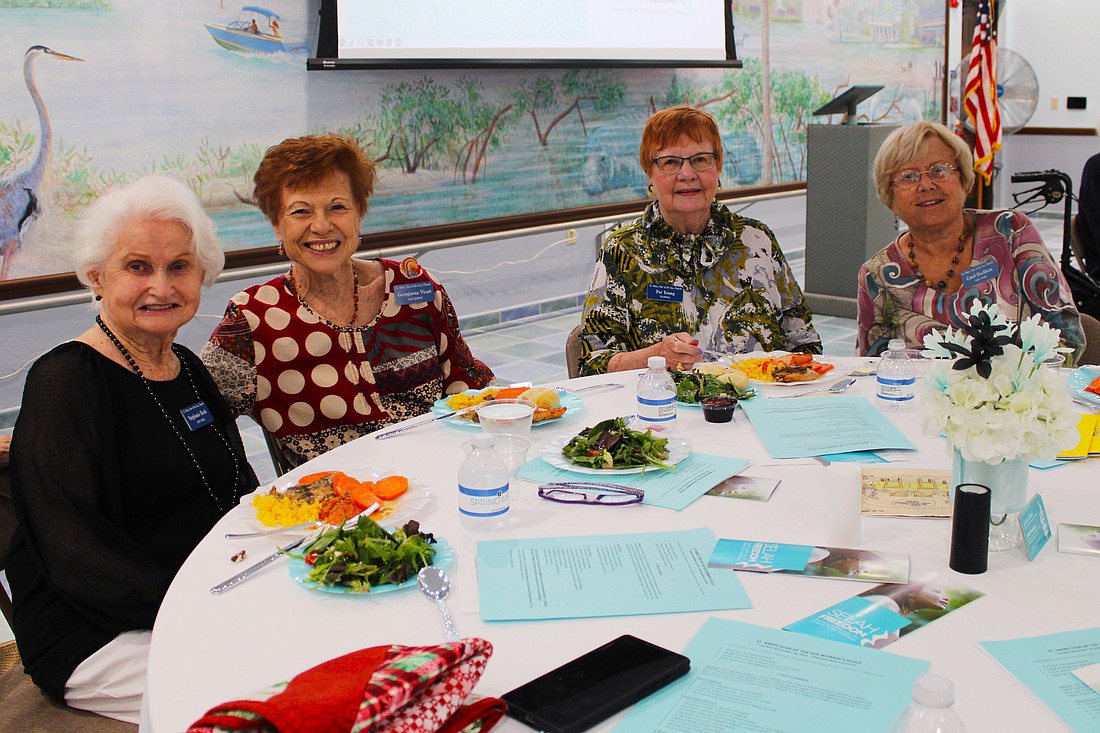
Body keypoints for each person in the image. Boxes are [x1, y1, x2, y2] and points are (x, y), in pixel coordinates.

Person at [6, 176, 258, 722]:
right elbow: (76, 557)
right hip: (96, 630)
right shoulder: (65, 381)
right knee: (269, 684)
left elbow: (241, 489)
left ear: (203, 274)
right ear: (97, 277)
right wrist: (202, 607)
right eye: (137, 266)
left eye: (179, 267)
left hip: (201, 590)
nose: (161, 287)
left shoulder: (186, 367)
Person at [201, 134, 493, 466]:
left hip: (442, 478)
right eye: (300, 211)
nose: (321, 226)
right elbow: (200, 417)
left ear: (359, 215)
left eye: (337, 207)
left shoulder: (414, 287)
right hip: (337, 506)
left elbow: (470, 385)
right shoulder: (253, 319)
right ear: (277, 227)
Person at [577, 105, 820, 376]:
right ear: (649, 174)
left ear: (718, 167)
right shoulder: (621, 252)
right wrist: (654, 356)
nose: (687, 174)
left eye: (701, 160)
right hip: (664, 413)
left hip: (761, 411)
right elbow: (591, 365)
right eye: (670, 162)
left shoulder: (757, 241)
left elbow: (805, 344)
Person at [858, 120, 1084, 362]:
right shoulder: (877, 275)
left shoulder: (1010, 232)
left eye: (938, 170)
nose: (925, 185)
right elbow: (871, 368)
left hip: (1020, 395)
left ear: (963, 180)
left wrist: (1013, 389)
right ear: (889, 197)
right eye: (908, 176)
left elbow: (1066, 337)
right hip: (921, 399)